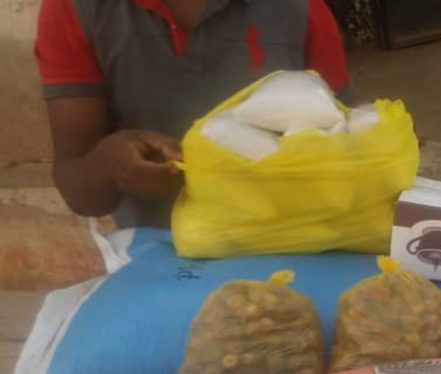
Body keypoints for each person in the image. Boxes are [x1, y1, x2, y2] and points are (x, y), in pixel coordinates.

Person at [34, 0, 352, 229]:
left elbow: (352, 148)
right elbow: (79, 189)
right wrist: (111, 162)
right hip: (157, 260)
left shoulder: (300, 9)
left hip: (289, 243)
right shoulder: (74, 9)